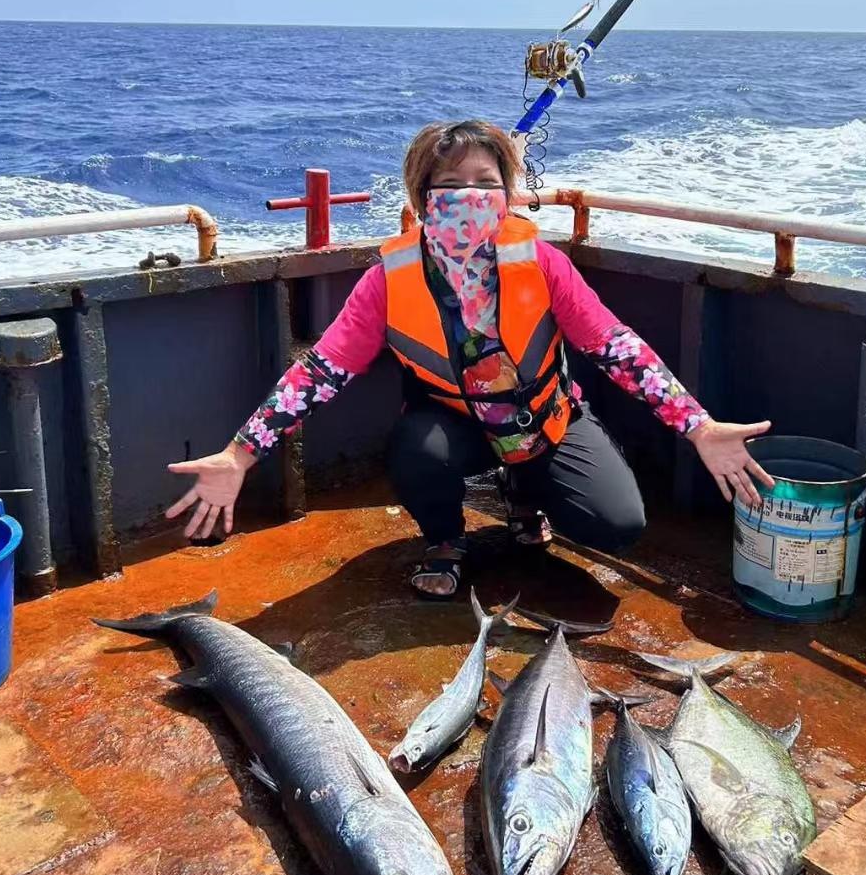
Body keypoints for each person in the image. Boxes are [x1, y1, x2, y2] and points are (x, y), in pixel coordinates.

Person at [167, 119, 774, 597]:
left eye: (486, 183)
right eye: (450, 185)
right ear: (422, 196)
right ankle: (445, 541)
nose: (470, 196)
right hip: (453, 423)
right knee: (416, 449)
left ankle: (523, 495)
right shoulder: (389, 280)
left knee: (617, 526)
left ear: (507, 194)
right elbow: (321, 371)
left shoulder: (542, 263)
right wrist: (240, 454)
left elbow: (613, 345)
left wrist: (698, 426)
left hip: (545, 419)